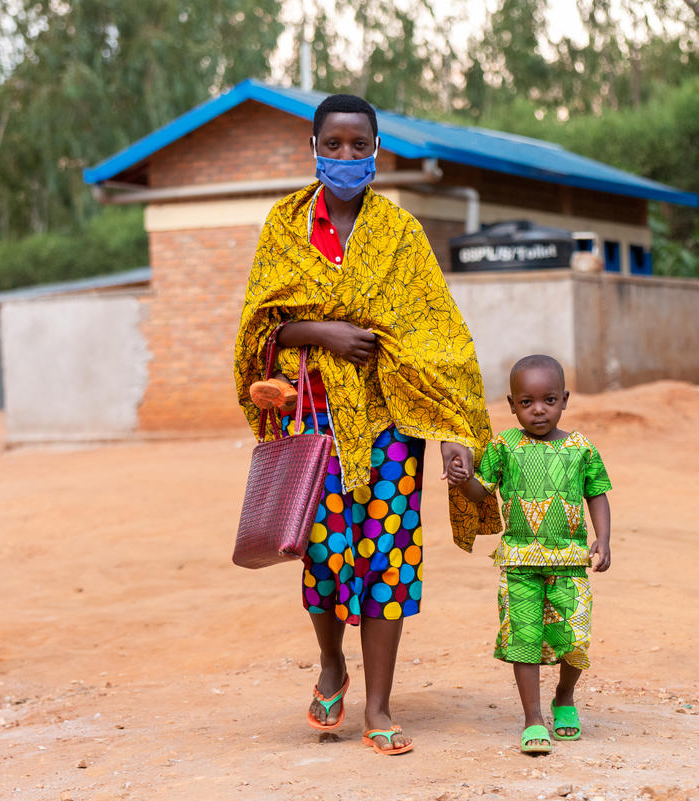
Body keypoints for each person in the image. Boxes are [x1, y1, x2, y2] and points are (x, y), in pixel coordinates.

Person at [233, 93, 500, 756]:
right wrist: (324, 331)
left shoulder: (400, 234)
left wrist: (450, 425)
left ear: (377, 151)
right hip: (315, 425)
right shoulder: (286, 225)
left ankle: (379, 705)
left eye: (359, 145)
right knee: (322, 556)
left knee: (388, 558)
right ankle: (332, 663)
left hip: (388, 425)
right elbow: (258, 326)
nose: (346, 155)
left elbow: (437, 334)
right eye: (335, 144)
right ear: (315, 148)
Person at [445, 354, 612, 755]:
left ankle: (565, 697)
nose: (539, 410)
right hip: (519, 563)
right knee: (524, 638)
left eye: (549, 400)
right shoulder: (503, 446)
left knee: (574, 638)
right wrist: (462, 480)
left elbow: (597, 494)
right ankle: (532, 719)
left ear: (565, 400)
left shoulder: (581, 448)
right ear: (511, 404)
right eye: (527, 402)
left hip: (569, 564)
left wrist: (603, 540)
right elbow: (482, 492)